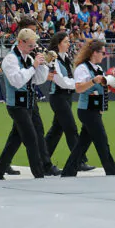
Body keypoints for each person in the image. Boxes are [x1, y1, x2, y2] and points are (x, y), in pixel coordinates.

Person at [0, 28, 54, 179]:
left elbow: (39, 80)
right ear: (21, 42)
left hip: (29, 103)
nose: (33, 48)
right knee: (31, 138)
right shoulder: (11, 59)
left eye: (34, 46)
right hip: (16, 105)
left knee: (15, 140)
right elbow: (17, 81)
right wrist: (33, 67)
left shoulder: (28, 58)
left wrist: (43, 64)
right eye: (30, 45)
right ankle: (39, 174)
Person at [61, 40, 115, 177]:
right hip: (87, 110)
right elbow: (79, 88)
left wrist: (110, 87)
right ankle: (113, 172)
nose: (104, 55)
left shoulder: (98, 69)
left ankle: (68, 172)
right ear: (95, 53)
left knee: (82, 144)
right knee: (102, 141)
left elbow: (100, 89)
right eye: (102, 52)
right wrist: (94, 81)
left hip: (94, 110)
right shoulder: (82, 68)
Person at [42, 31, 87, 172]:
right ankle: (78, 161)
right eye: (66, 41)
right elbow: (60, 80)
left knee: (56, 130)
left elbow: (70, 77)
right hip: (58, 96)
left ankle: (42, 159)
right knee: (71, 128)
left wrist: (75, 83)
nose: (69, 44)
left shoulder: (66, 57)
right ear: (59, 43)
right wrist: (76, 84)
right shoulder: (53, 59)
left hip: (66, 97)